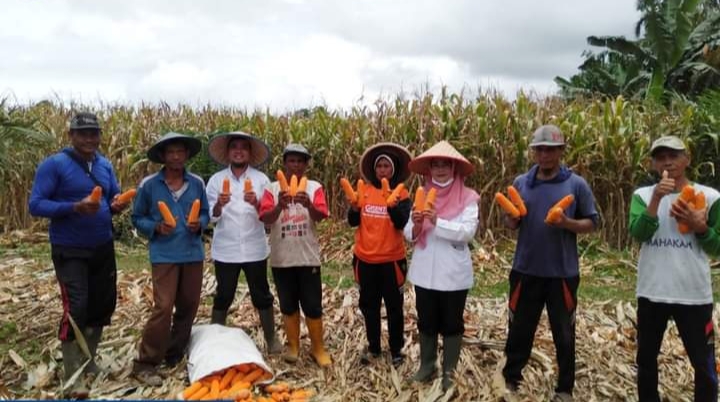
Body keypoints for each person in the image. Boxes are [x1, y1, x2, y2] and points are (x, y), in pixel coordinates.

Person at [29, 112, 130, 399]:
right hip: (70, 247)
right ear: (71, 135)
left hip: (102, 245)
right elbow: (36, 205)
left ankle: (89, 362)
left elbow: (111, 199)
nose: (89, 139)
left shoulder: (104, 164)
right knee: (76, 306)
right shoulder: (55, 165)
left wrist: (116, 205)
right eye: (83, 133)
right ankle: (72, 373)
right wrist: (74, 207)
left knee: (102, 305)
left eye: (94, 133)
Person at [501, 125, 598, 402]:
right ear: (534, 152)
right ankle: (511, 378)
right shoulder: (521, 183)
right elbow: (510, 223)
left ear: (561, 151)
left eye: (550, 149)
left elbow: (592, 223)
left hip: (562, 273)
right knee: (519, 328)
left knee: (564, 332)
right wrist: (512, 219)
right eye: (540, 149)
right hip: (525, 269)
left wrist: (566, 222)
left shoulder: (576, 185)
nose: (544, 155)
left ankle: (565, 387)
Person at [629, 135, 719, 402]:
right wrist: (657, 199)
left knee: (703, 364)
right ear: (654, 164)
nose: (668, 162)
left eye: (674, 156)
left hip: (692, 293)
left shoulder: (710, 197)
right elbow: (639, 234)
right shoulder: (642, 196)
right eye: (661, 157)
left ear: (687, 159)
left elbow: (716, 247)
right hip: (652, 291)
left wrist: (700, 227)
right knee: (646, 361)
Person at [130, 132, 209, 385]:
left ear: (186, 155)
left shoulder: (197, 183)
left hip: (192, 253)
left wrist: (200, 224)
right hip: (164, 254)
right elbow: (137, 217)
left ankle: (174, 353)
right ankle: (145, 363)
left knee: (188, 305)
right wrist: (154, 227)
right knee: (163, 307)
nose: (176, 156)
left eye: (180, 151)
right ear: (163, 156)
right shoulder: (149, 185)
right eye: (171, 152)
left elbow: (206, 213)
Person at [403, 140, 480, 391]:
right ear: (429, 170)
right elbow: (408, 233)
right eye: (435, 165)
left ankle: (449, 371)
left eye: (445, 164)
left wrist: (437, 221)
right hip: (425, 272)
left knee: (451, 323)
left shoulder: (468, 198)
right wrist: (415, 225)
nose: (440, 169)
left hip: (453, 273)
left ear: (454, 168)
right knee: (426, 320)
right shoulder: (421, 195)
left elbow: (467, 232)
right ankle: (427, 365)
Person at [206, 131, 282, 354]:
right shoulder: (216, 181)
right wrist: (219, 205)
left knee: (262, 294)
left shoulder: (261, 180)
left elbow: (268, 217)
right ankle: (215, 340)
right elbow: (210, 216)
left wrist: (257, 202)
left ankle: (271, 338)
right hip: (226, 249)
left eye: (243, 147)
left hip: (254, 248)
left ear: (249, 153)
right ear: (228, 152)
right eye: (234, 147)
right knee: (223, 295)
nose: (238, 151)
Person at [258, 143, 331, 367]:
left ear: (306, 164)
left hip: (307, 257)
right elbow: (266, 219)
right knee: (288, 304)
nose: (296, 165)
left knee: (312, 305)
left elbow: (320, 216)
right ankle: (293, 346)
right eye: (292, 161)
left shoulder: (314, 187)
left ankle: (318, 348)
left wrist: (308, 205)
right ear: (284, 163)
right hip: (282, 258)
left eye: (301, 161)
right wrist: (279, 206)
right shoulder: (271, 189)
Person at [348, 142, 412, 367]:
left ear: (393, 169)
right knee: (369, 306)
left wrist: (392, 204)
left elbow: (402, 223)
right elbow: (352, 221)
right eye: (379, 166)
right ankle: (374, 346)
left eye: (387, 166)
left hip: (391, 260)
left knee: (394, 307)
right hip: (365, 259)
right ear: (374, 170)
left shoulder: (401, 193)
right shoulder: (363, 190)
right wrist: (354, 208)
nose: (382, 170)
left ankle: (396, 350)